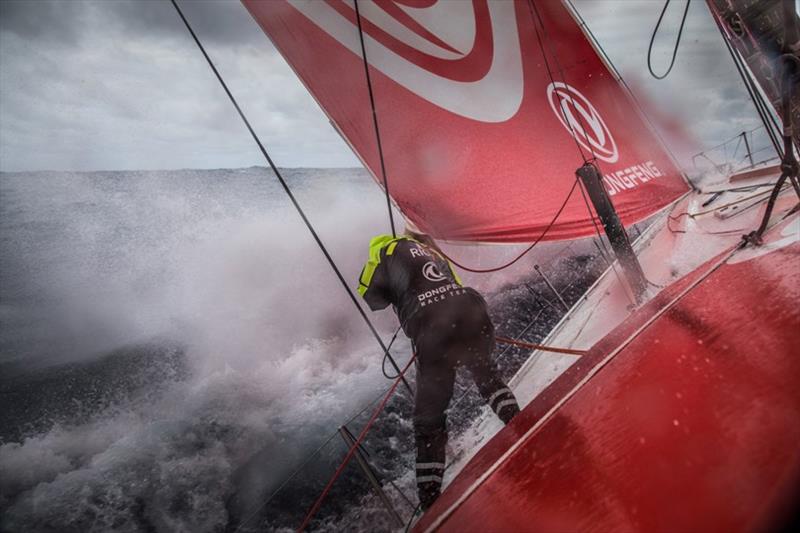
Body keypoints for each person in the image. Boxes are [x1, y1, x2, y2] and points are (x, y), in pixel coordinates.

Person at [357, 228, 520, 511]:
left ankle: (431, 503)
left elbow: (371, 297)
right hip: (471, 309)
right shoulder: (431, 251)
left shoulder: (383, 250)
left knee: (428, 420)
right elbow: (454, 284)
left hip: (434, 328)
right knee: (487, 377)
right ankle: (521, 425)